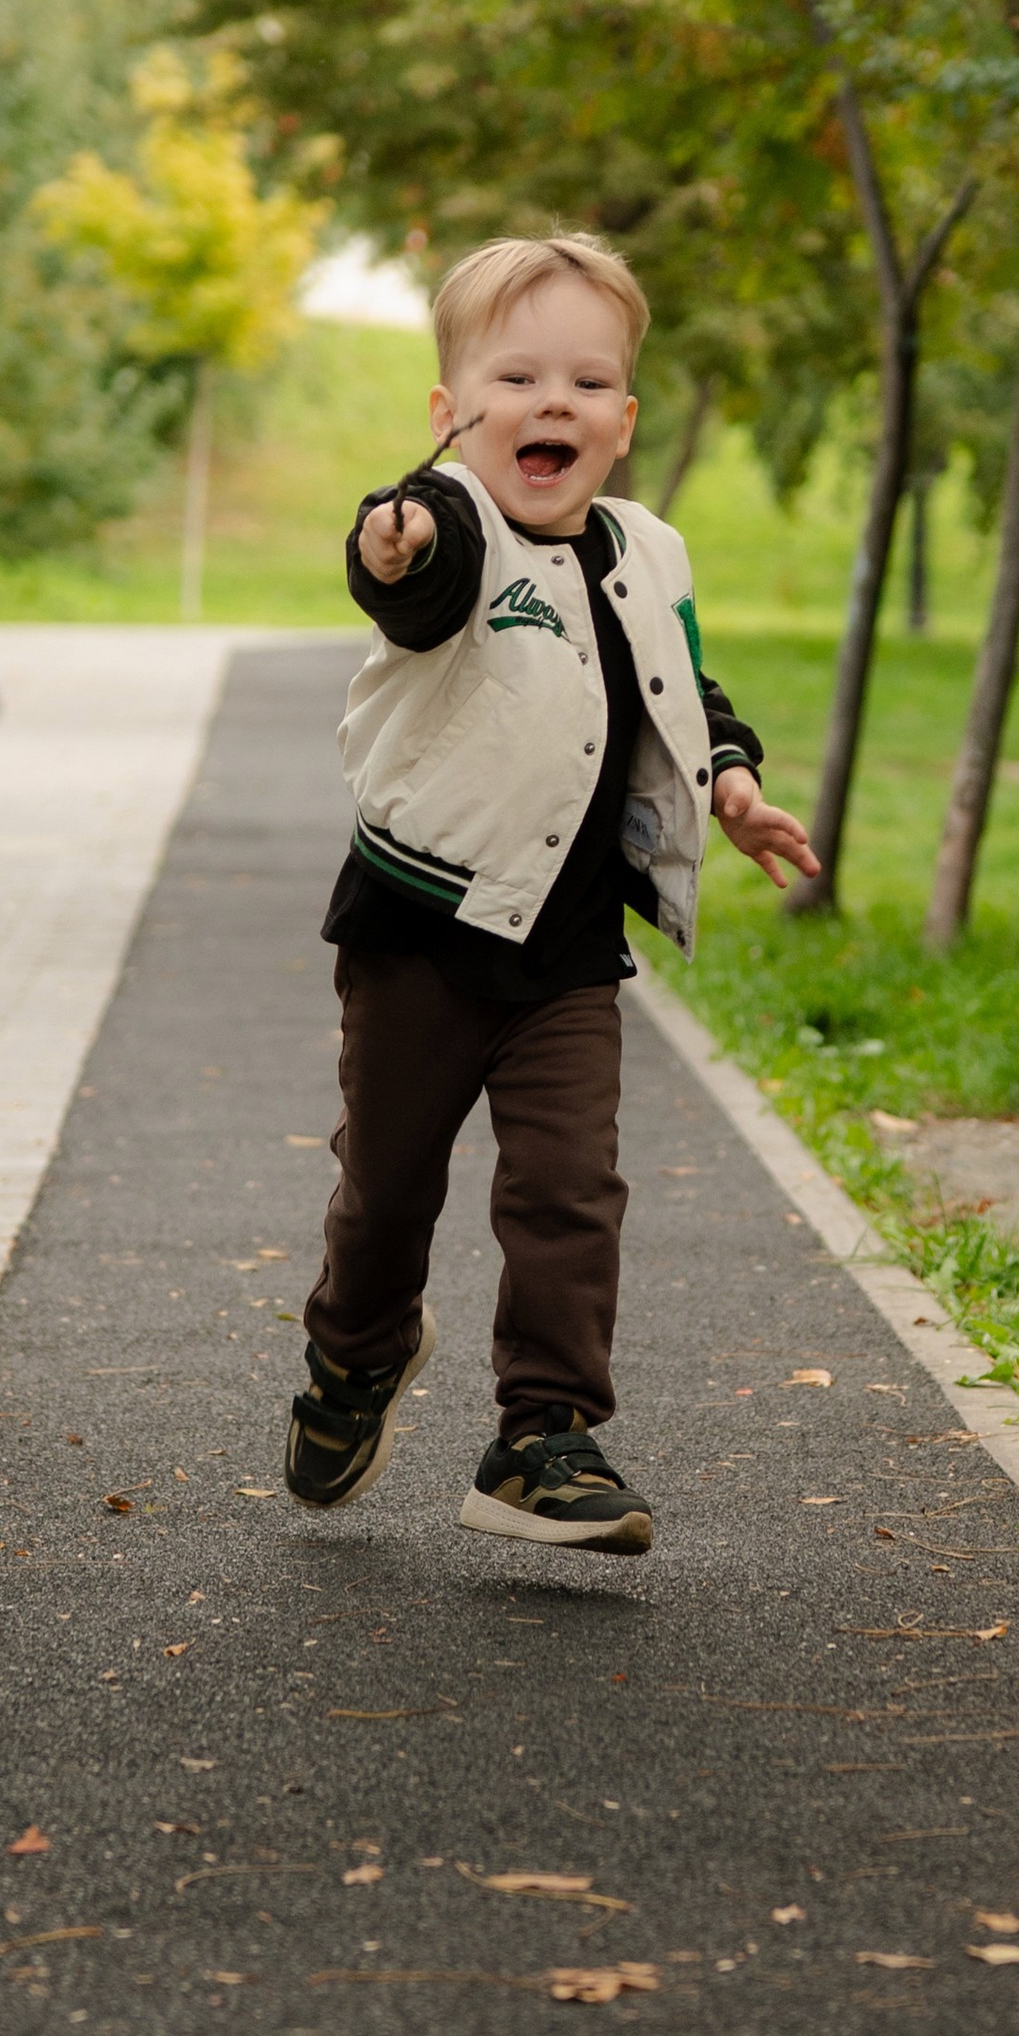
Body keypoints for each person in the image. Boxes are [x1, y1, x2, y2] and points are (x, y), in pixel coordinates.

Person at [283, 232, 819, 1552]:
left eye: (587, 384)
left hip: (569, 948)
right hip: (420, 931)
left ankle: (544, 1436)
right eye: (516, 378)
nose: (553, 405)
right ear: (451, 412)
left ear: (624, 422)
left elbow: (682, 690)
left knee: (570, 1189)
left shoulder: (648, 549)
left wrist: (733, 784)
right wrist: (388, 544)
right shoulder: (448, 522)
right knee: (388, 1189)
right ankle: (356, 1355)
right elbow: (406, 585)